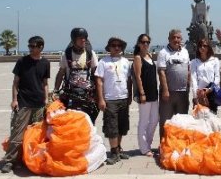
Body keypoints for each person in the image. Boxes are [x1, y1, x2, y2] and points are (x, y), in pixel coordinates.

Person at [0, 36, 50, 173]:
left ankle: (29, 160)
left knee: (35, 135)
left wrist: (46, 99)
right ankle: (10, 161)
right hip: (24, 102)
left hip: (39, 104)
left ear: (41, 47)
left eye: (33, 46)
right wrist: (14, 100)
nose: (31, 48)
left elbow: (45, 83)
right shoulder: (22, 61)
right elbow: (15, 83)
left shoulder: (45, 63)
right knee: (17, 133)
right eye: (29, 46)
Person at [95, 37, 132, 165]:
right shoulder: (103, 62)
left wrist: (130, 95)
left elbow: (129, 80)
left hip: (123, 97)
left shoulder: (126, 61)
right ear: (109, 47)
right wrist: (101, 99)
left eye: (119, 46)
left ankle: (118, 148)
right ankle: (114, 152)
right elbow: (99, 81)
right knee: (111, 126)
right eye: (113, 45)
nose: (116, 48)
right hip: (110, 99)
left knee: (122, 126)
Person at [54, 27, 99, 124]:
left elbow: (96, 74)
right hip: (70, 94)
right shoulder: (66, 55)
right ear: (74, 40)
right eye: (80, 38)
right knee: (70, 122)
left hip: (87, 94)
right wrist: (56, 90)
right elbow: (61, 73)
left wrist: (98, 94)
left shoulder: (91, 54)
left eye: (85, 38)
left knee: (88, 122)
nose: (83, 40)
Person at [157, 29, 190, 138]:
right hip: (168, 93)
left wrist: (189, 86)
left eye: (178, 38)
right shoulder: (163, 53)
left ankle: (179, 145)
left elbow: (188, 69)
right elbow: (161, 72)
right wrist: (165, 90)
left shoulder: (185, 51)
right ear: (169, 39)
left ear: (181, 39)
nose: (176, 40)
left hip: (183, 93)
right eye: (173, 37)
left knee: (182, 121)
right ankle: (164, 145)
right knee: (166, 121)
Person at [132, 34, 159, 157]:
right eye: (143, 42)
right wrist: (141, 93)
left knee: (154, 120)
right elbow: (138, 77)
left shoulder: (150, 56)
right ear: (139, 44)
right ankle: (143, 148)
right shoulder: (137, 58)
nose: (145, 44)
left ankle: (148, 143)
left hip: (154, 93)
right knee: (144, 121)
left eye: (147, 42)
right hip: (145, 94)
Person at [190, 38, 221, 113]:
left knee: (212, 118)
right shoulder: (194, 62)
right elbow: (193, 78)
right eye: (200, 46)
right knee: (199, 118)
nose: (202, 48)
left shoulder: (214, 60)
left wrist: (210, 89)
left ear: (209, 47)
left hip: (211, 92)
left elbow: (217, 77)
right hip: (199, 93)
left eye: (205, 46)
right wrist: (195, 94)